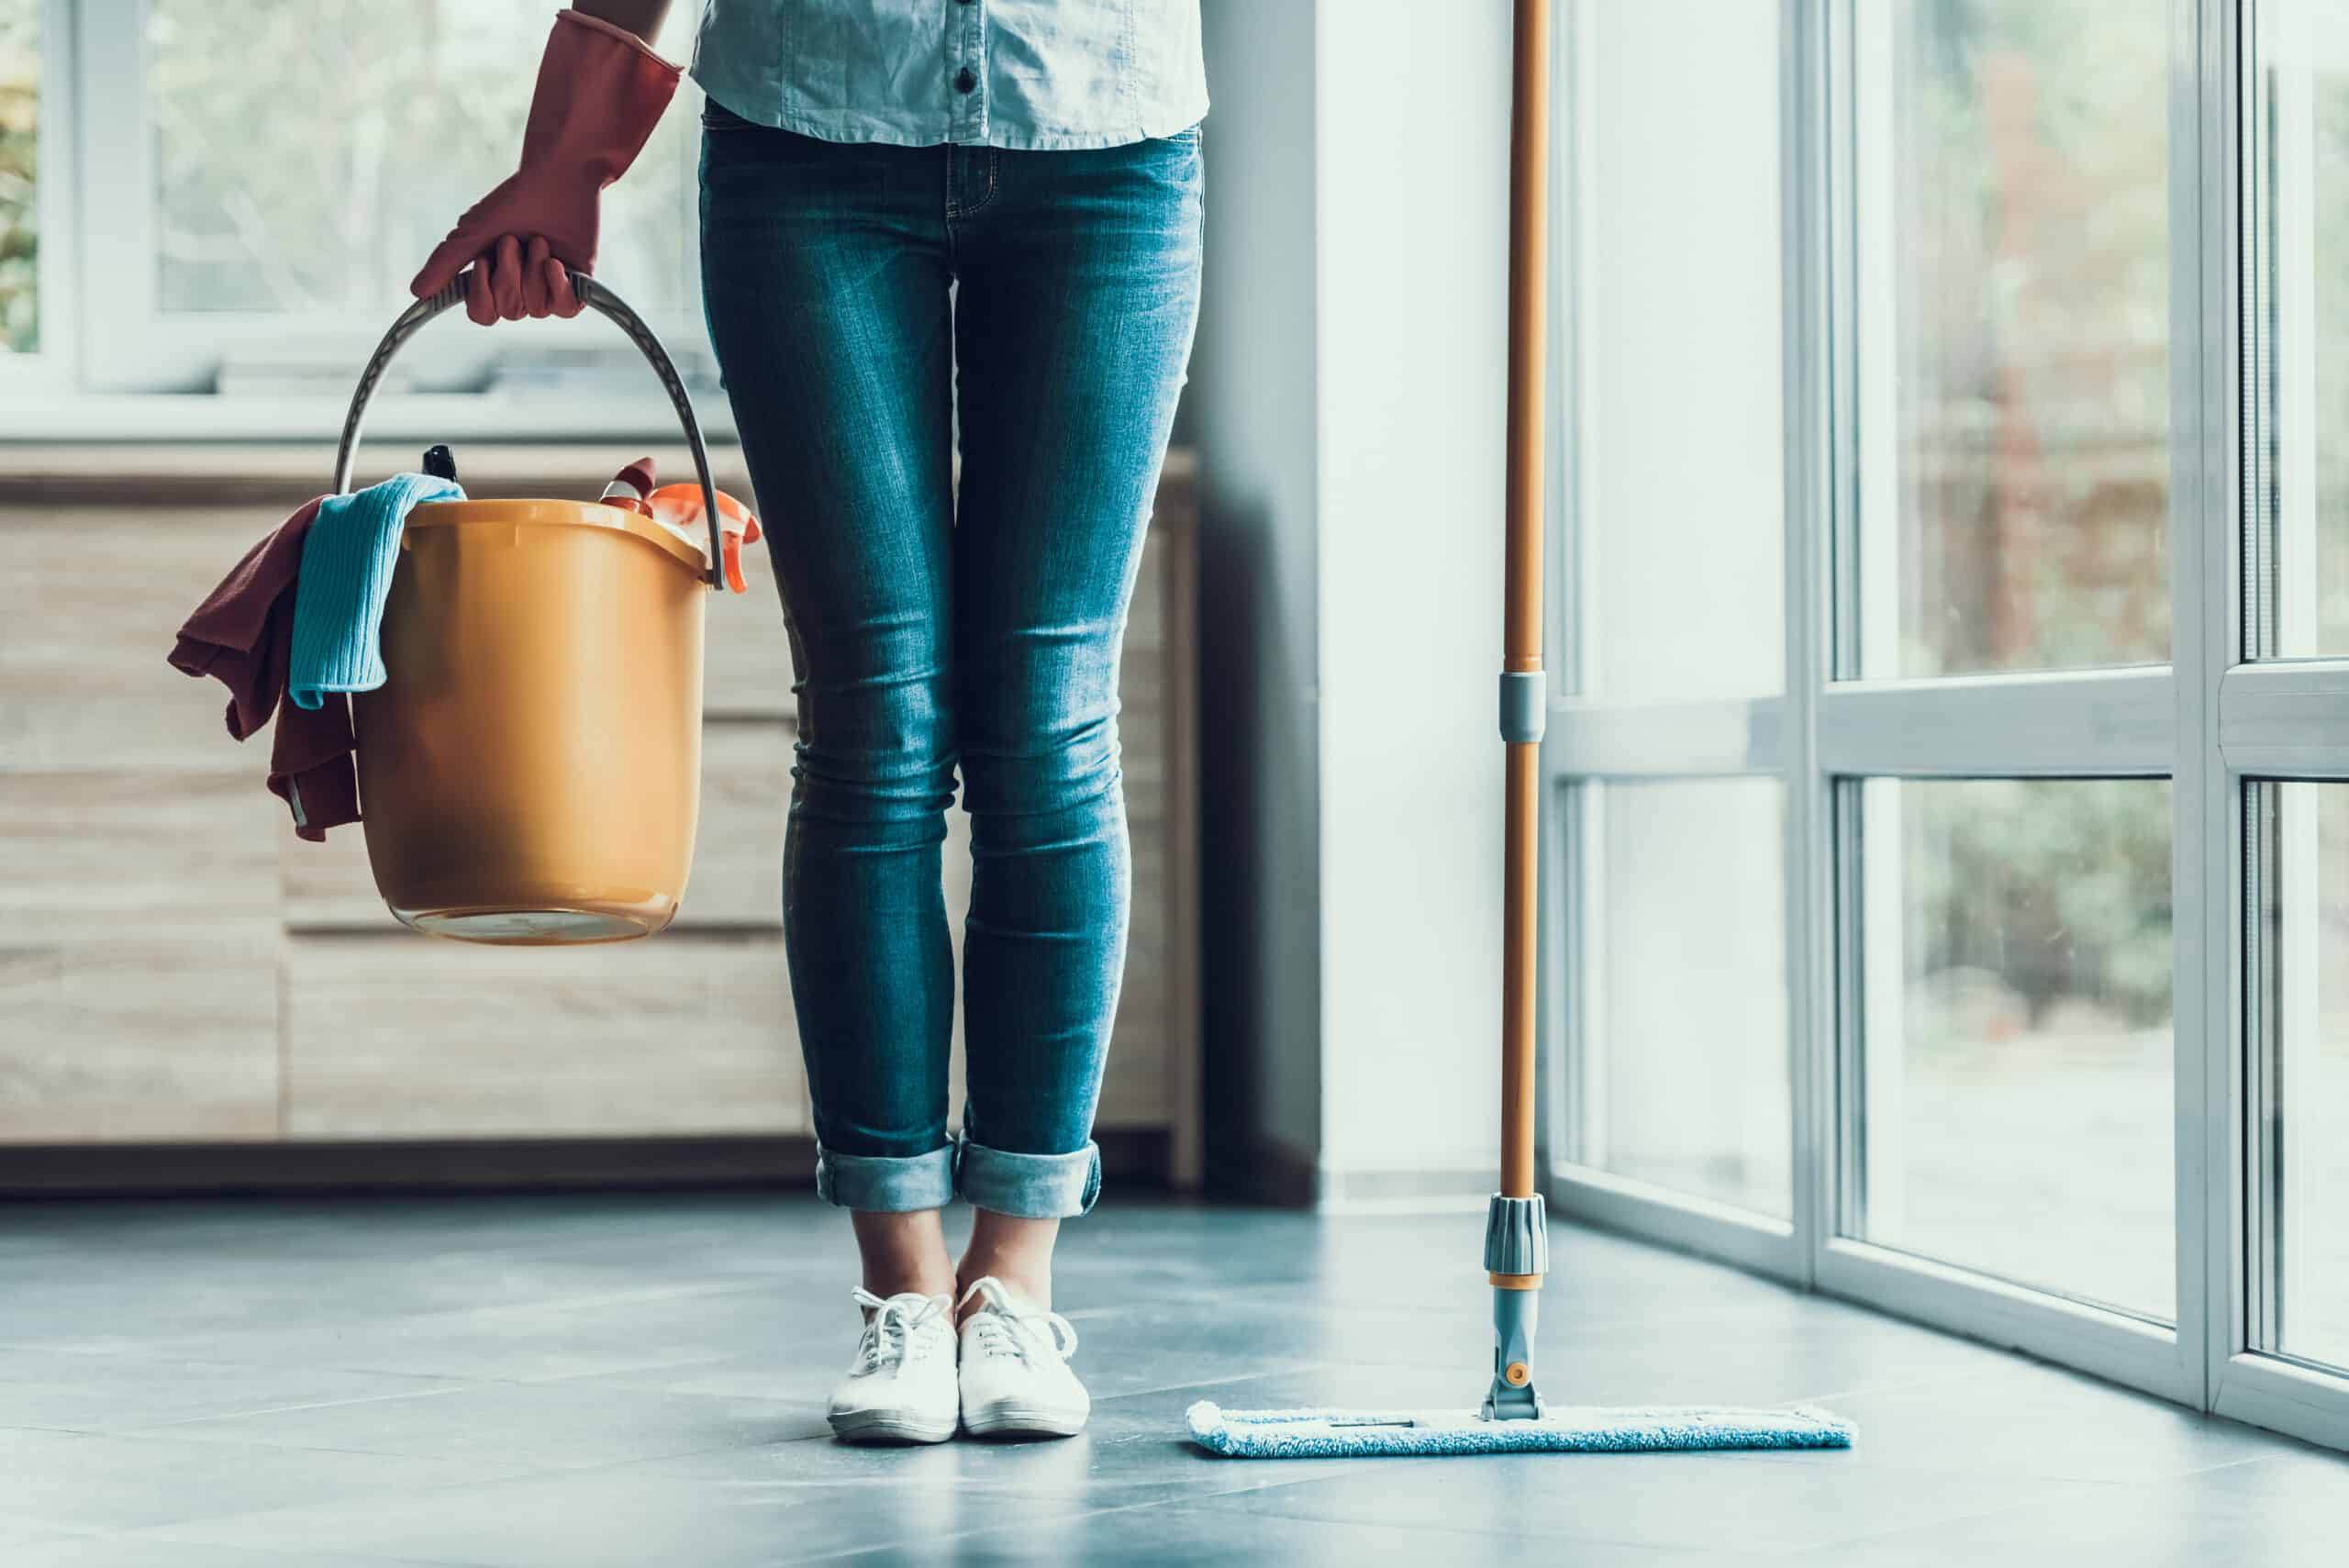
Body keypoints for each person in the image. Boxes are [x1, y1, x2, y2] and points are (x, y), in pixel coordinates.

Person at [410, 2, 1205, 1445]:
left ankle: (1010, 1283)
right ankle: (903, 1288)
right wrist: (569, 157)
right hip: (809, 146)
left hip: (1110, 136)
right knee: (878, 720)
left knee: (1046, 724)